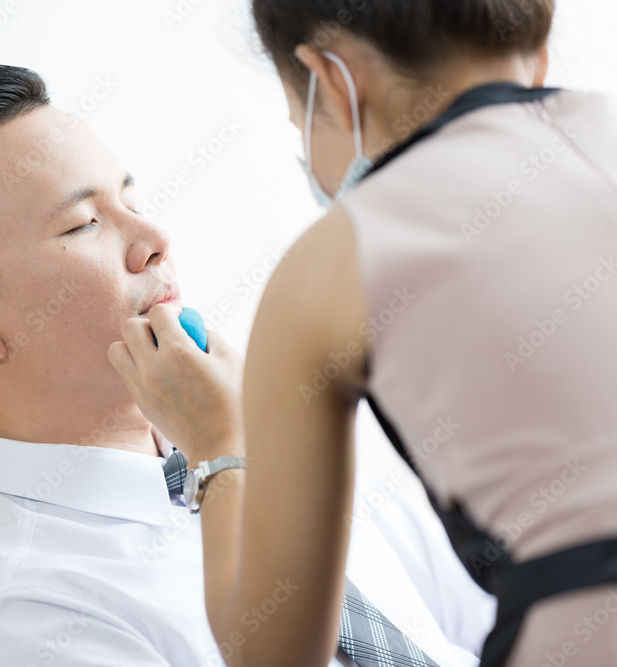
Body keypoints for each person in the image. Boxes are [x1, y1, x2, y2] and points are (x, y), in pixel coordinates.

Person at [0, 65, 495, 666]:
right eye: (84, 222)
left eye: (133, 202)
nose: (155, 241)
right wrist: (224, 459)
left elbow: (489, 612)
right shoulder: (30, 617)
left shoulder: (265, 437)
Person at [109, 1, 617, 665]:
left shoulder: (329, 265)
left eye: (299, 122)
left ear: (335, 80)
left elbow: (277, 654)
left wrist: (218, 446)